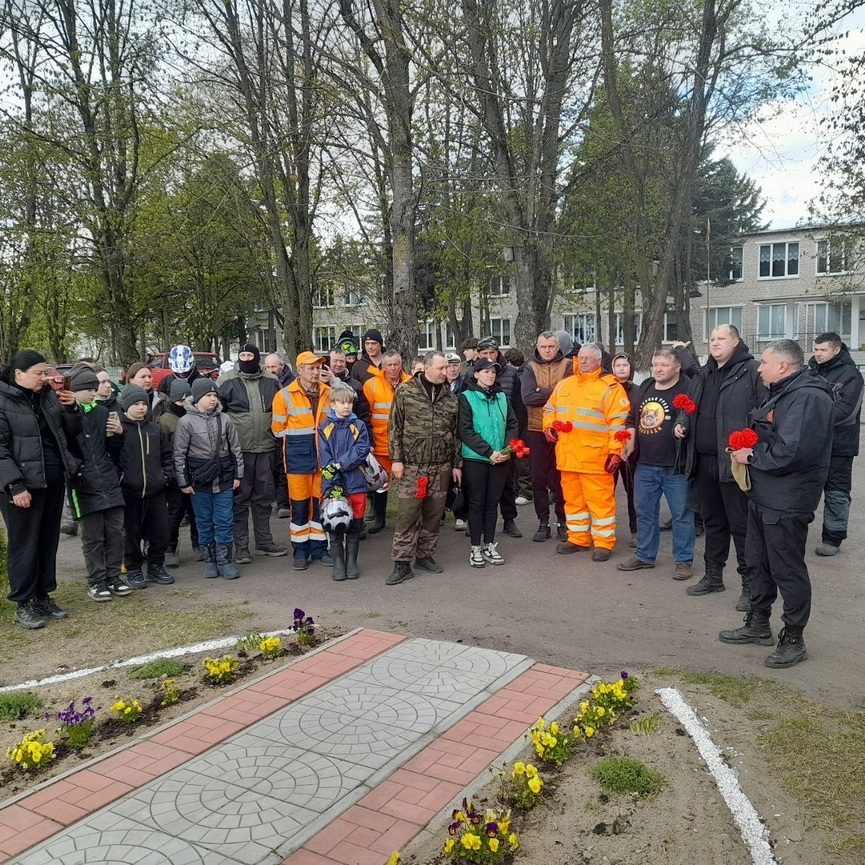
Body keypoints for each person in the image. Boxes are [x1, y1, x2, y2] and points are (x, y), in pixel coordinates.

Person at [719, 340, 834, 668]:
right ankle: (758, 624)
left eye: (765, 362)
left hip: (787, 501)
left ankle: (794, 638)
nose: (759, 368)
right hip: (764, 495)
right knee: (758, 562)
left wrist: (751, 454)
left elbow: (793, 451)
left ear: (783, 365)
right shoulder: (787, 391)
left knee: (787, 570)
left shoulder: (808, 397)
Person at [679, 325, 767, 609]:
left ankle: (749, 585)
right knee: (713, 521)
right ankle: (713, 576)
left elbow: (765, 415)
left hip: (734, 462)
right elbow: (689, 406)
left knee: (741, 526)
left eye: (721, 339)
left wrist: (752, 448)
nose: (715, 343)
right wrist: (682, 422)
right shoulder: (703, 373)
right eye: (712, 338)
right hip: (703, 461)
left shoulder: (752, 371)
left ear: (736, 341)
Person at [0, 350, 82, 629]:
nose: (44, 377)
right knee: (24, 545)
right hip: (22, 486)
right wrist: (14, 486)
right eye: (39, 372)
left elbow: (69, 432)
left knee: (48, 541)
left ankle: (43, 597)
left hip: (53, 479)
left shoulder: (48, 396)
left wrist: (72, 408)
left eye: (46, 372)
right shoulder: (3, 400)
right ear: (18, 374)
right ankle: (23, 604)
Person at [542, 343, 628, 561]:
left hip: (595, 458)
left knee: (600, 502)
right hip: (568, 456)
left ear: (599, 361)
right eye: (581, 357)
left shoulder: (610, 388)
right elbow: (549, 409)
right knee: (573, 502)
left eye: (589, 358)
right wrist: (548, 426)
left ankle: (603, 542)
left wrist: (615, 452)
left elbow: (619, 423)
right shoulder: (564, 385)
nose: (584, 361)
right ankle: (578, 538)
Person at [616, 349, 695, 579]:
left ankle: (683, 560)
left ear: (677, 367)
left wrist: (686, 427)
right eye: (655, 364)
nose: (658, 369)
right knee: (644, 512)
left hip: (675, 466)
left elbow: (694, 415)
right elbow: (632, 418)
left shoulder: (687, 388)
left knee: (681, 514)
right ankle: (644, 555)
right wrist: (629, 440)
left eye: (663, 364)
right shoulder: (647, 387)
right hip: (646, 463)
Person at [387, 350, 462, 585]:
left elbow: (455, 434)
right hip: (412, 466)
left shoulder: (450, 398)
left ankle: (425, 556)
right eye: (440, 368)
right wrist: (396, 460)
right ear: (427, 368)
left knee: (434, 515)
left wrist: (456, 464)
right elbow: (394, 427)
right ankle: (401, 563)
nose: (445, 372)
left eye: (447, 368)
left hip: (440, 466)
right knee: (408, 514)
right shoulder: (406, 391)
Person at [217, 343, 287, 564]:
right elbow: (217, 413)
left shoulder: (271, 380)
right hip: (239, 451)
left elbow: (279, 410)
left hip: (266, 448)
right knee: (239, 501)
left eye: (250, 355)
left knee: (264, 499)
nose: (246, 358)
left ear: (257, 357)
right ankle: (242, 548)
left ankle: (264, 542)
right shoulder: (225, 380)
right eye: (242, 355)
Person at [66, 367, 132, 601]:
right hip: (83, 483)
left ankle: (114, 577)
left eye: (94, 389)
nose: (93, 393)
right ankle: (96, 581)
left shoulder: (103, 412)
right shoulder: (65, 414)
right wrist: (75, 469)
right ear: (74, 390)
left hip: (108, 479)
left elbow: (113, 450)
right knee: (92, 536)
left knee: (115, 532)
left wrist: (119, 435)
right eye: (88, 390)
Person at [174, 379, 244, 579]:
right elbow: (179, 455)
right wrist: (184, 483)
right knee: (204, 522)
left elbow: (235, 449)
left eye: (215, 396)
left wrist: (238, 475)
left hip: (224, 479)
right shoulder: (185, 422)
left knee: (224, 520)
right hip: (199, 481)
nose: (213, 399)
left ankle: (225, 561)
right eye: (208, 396)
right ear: (197, 398)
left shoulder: (225, 419)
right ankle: (210, 561)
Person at [272, 351, 332, 569]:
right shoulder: (284, 396)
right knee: (298, 507)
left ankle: (319, 550)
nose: (316, 372)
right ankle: (300, 552)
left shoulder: (328, 392)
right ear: (300, 370)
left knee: (318, 506)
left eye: (318, 368)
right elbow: (277, 431)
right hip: (297, 461)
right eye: (312, 368)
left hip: (322, 460)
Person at [807, 331, 864, 556]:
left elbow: (845, 411)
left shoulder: (852, 375)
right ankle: (795, 532)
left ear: (836, 350)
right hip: (812, 444)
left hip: (839, 446)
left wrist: (808, 419)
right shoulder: (810, 371)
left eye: (823, 350)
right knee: (805, 488)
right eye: (816, 350)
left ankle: (833, 537)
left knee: (836, 493)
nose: (818, 354)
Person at [458, 359, 518, 567]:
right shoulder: (466, 397)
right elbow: (465, 430)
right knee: (477, 503)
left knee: (492, 503)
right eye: (486, 372)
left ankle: (489, 544)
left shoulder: (501, 397)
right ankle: (475, 547)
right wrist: (488, 452)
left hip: (500, 458)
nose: (490, 375)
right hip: (477, 458)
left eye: (493, 372)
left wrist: (507, 449)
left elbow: (512, 423)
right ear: (476, 374)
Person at [115, 384, 175, 589]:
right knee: (131, 533)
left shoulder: (155, 429)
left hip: (156, 490)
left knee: (160, 531)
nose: (141, 407)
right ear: (126, 405)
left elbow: (167, 456)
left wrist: (166, 477)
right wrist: (121, 478)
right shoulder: (119, 430)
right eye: (136, 404)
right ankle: (133, 569)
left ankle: (156, 565)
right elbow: (113, 457)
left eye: (144, 404)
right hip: (129, 492)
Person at [522, 332, 571, 542]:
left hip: (563, 429)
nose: (548, 350)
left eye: (551, 346)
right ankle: (543, 522)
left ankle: (563, 521)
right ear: (537, 346)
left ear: (558, 346)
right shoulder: (530, 367)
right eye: (544, 346)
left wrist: (541, 391)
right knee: (538, 479)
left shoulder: (569, 365)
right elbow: (527, 396)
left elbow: (570, 396)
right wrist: (556, 392)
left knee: (561, 478)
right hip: (536, 428)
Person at [317, 388, 371, 580]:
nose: (346, 406)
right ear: (333, 405)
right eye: (342, 402)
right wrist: (332, 474)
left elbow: (362, 448)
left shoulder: (359, 425)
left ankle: (351, 562)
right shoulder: (324, 427)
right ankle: (338, 562)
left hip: (356, 481)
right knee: (334, 522)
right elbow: (324, 453)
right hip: (332, 483)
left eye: (349, 402)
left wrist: (341, 464)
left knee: (356, 522)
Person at [476, 336, 522, 538]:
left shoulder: (511, 374)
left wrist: (513, 442)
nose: (488, 357)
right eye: (484, 354)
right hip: (481, 441)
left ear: (497, 353)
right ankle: (478, 522)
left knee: (507, 484)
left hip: (505, 439)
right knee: (479, 485)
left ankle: (509, 520)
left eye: (491, 353)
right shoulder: (472, 373)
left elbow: (519, 409)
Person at [362, 349, 411, 534]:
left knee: (408, 486)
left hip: (405, 445)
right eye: (389, 365)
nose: (392, 368)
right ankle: (380, 518)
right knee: (381, 485)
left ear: (401, 365)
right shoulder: (371, 385)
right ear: (383, 366)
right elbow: (365, 416)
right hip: (381, 443)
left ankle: (407, 520)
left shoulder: (410, 382)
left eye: (395, 364)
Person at [157, 380, 200, 567]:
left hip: (196, 472)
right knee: (174, 513)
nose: (183, 403)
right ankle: (169, 548)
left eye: (187, 399)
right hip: (175, 476)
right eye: (180, 400)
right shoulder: (164, 421)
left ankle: (198, 544)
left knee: (196, 512)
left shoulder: (195, 417)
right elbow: (163, 451)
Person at [608, 353, 638, 541]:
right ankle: (605, 530)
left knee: (633, 491)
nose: (621, 368)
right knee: (606, 492)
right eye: (617, 365)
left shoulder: (638, 390)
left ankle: (636, 530)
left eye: (624, 365)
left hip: (629, 449)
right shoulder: (607, 389)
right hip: (609, 449)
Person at [264, 353, 293, 518]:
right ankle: (280, 500)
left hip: (288, 431)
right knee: (275, 467)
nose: (270, 370)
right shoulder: (265, 382)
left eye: (273, 367)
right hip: (271, 430)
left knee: (284, 467)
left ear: (282, 366)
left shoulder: (292, 383)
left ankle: (284, 503)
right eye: (267, 367)